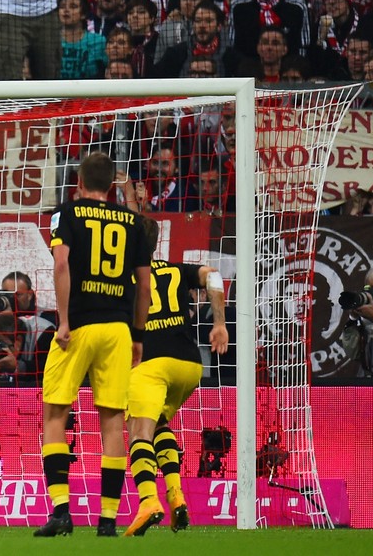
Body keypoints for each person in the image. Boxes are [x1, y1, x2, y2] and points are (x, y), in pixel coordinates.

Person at [36, 151, 154, 537]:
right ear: (110, 185)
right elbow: (144, 286)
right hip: (118, 330)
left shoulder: (67, 213)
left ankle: (61, 513)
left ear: (81, 183)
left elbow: (60, 264)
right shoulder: (135, 223)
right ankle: (107, 520)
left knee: (56, 413)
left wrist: (65, 321)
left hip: (80, 327)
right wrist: (137, 335)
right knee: (113, 421)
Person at [125, 218, 228, 536]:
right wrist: (219, 323)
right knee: (159, 424)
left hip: (150, 364)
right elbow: (213, 277)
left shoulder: (123, 277)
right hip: (189, 365)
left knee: (138, 432)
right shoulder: (176, 270)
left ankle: (147, 501)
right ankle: (176, 498)